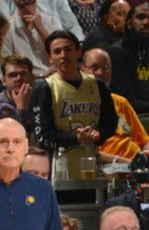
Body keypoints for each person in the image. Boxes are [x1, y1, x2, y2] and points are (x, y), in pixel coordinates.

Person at [31, 30, 118, 178]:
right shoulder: (44, 87)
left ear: (79, 52)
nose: (63, 56)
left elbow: (110, 123)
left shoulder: (98, 85)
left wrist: (99, 134)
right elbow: (42, 136)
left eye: (68, 49)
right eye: (57, 51)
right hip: (57, 171)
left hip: (92, 167)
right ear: (50, 58)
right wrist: (75, 138)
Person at [81, 49, 149, 167]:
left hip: (137, 166)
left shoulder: (120, 102)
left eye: (106, 67)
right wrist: (128, 163)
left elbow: (145, 142)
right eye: (94, 67)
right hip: (109, 167)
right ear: (82, 70)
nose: (100, 72)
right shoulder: (78, 106)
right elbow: (86, 153)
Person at [1, 0, 62, 76]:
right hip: (26, 83)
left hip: (55, 79)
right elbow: (7, 68)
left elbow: (61, 57)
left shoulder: (52, 22)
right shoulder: (6, 28)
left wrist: (41, 30)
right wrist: (42, 75)